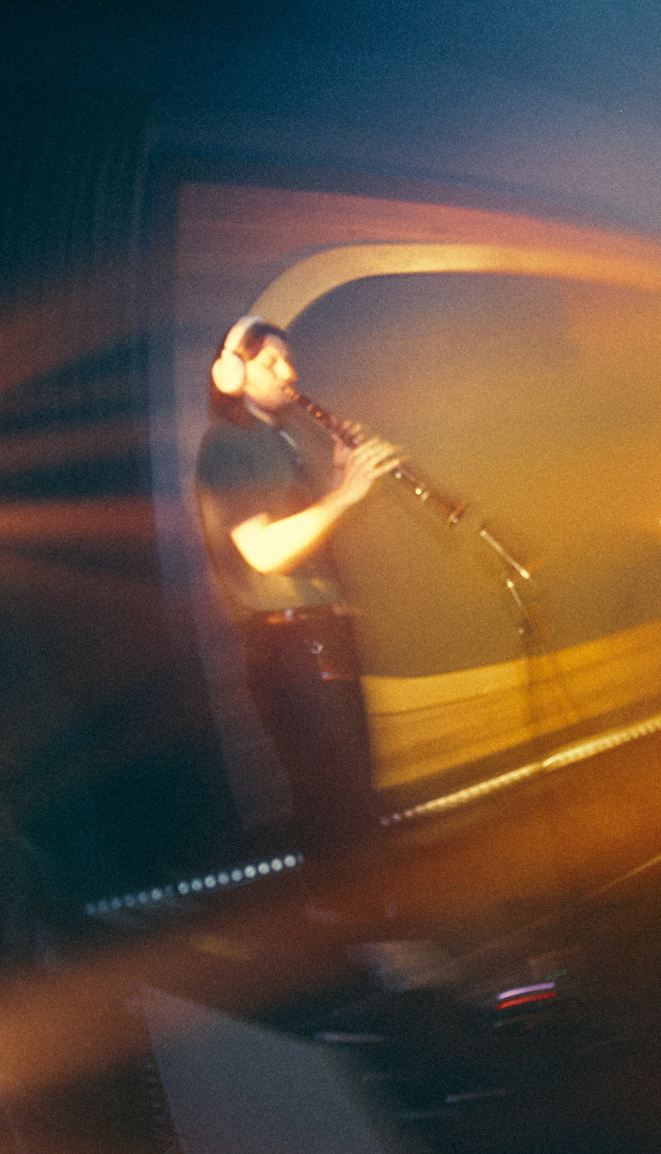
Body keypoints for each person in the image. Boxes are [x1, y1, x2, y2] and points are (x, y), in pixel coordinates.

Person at [194, 316, 402, 907]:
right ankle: (373, 935)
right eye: (270, 362)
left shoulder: (279, 441)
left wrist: (338, 475)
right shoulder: (226, 446)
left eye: (288, 359)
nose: (289, 372)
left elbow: (306, 538)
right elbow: (264, 551)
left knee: (345, 796)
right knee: (341, 802)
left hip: (319, 637)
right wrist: (346, 493)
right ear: (231, 373)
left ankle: (351, 925)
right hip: (292, 647)